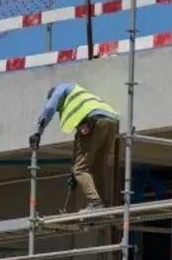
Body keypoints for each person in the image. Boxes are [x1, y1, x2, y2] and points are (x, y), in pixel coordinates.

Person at [29, 83, 119, 211]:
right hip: (111, 121)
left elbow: (49, 108)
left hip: (92, 122)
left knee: (80, 170)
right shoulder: (80, 97)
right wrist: (73, 171)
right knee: (99, 166)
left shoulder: (61, 89)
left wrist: (38, 133)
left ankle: (95, 202)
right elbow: (78, 145)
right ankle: (104, 203)